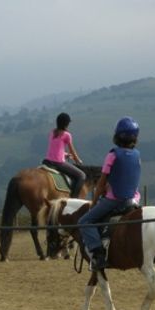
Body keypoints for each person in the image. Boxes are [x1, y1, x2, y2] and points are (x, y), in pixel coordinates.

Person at [77, 116, 142, 271]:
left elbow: (100, 184)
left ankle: (98, 254)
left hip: (115, 200)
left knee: (84, 222)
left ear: (117, 135)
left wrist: (93, 203)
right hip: (133, 200)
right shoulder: (137, 155)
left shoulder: (113, 155)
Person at [42, 113, 86, 198]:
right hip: (58, 163)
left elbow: (55, 148)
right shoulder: (67, 135)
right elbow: (72, 150)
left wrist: (65, 155)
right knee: (82, 175)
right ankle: (74, 198)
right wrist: (78, 160)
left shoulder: (52, 132)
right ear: (66, 123)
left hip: (48, 160)